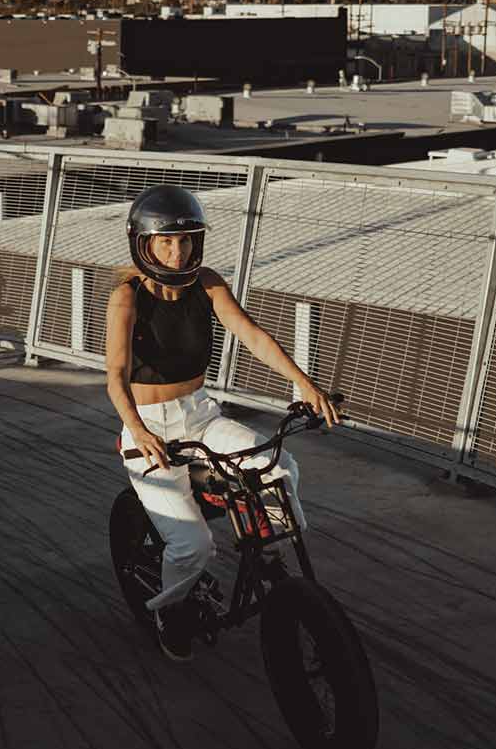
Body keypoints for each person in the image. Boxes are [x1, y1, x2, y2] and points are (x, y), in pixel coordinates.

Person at [106, 184, 340, 661]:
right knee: (193, 545)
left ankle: (264, 550)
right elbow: (114, 374)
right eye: (167, 242)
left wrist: (305, 384)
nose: (178, 251)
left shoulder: (207, 283)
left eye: (187, 240)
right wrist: (139, 430)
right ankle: (168, 611)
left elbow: (253, 334)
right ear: (143, 244)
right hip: (150, 425)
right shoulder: (127, 298)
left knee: (280, 469)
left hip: (200, 413)